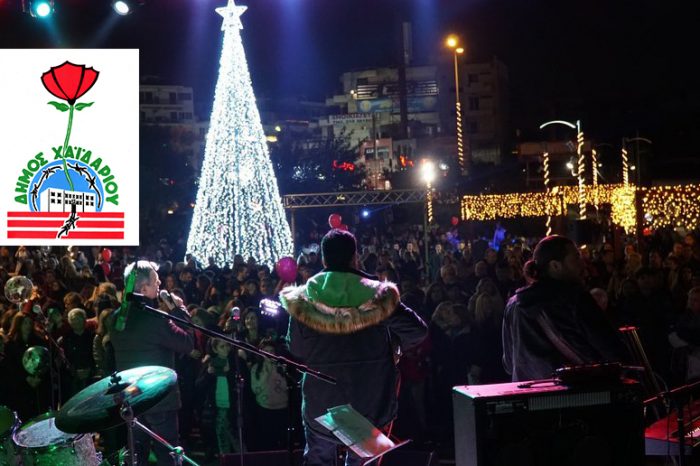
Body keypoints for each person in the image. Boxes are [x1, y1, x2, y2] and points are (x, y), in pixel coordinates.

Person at [280, 229, 427, 466]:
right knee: (363, 463)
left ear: (324, 259)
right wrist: (394, 348)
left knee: (319, 461)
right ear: (354, 257)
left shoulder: (304, 298)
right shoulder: (377, 294)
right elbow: (417, 331)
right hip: (369, 398)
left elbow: (297, 349)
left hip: (322, 401)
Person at [502, 235, 626, 382]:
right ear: (555, 266)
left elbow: (509, 363)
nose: (583, 264)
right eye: (576, 257)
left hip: (527, 397)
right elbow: (611, 350)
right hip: (579, 395)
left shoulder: (513, 305)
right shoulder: (574, 299)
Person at [109, 260, 194, 465]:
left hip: (132, 398)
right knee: (168, 455)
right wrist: (179, 310)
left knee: (137, 455)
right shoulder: (155, 319)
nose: (160, 285)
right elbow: (187, 343)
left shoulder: (115, 319)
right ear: (143, 287)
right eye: (156, 281)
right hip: (159, 399)